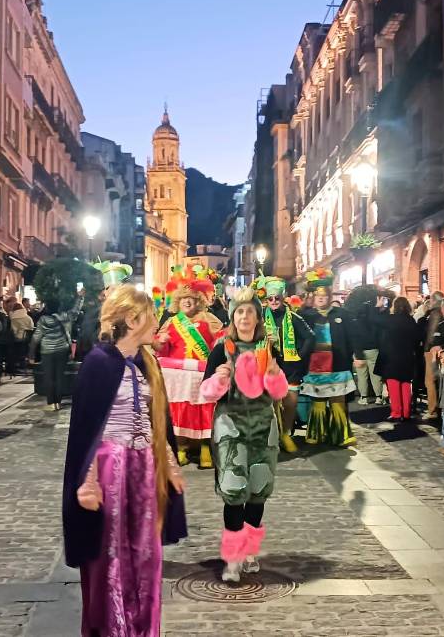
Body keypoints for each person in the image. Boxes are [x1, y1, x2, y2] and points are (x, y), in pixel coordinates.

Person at [62, 286, 187, 635]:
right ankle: (114, 627)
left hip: (144, 466)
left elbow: (156, 418)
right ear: (132, 320)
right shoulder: (98, 363)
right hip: (110, 466)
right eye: (150, 316)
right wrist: (87, 480)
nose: (157, 323)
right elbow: (85, 429)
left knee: (146, 550)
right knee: (111, 553)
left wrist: (171, 466)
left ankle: (144, 626)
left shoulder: (148, 361)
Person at [199, 287, 289, 583]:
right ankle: (233, 557)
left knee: (259, 488)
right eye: (239, 311)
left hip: (263, 427)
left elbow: (280, 393)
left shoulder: (268, 348)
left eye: (250, 311)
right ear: (232, 317)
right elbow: (205, 392)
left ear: (258, 317)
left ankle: (250, 551)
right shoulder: (221, 350)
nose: (245, 316)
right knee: (234, 490)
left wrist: (274, 374)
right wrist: (219, 379)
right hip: (231, 428)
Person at [155, 269, 224, 468]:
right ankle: (181, 447)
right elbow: (160, 348)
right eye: (183, 298)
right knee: (180, 411)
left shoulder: (209, 319)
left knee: (204, 411)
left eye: (191, 299)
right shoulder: (171, 321)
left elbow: (221, 343)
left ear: (198, 301)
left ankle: (204, 447)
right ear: (178, 301)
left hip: (202, 374)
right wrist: (161, 341)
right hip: (178, 377)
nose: (187, 302)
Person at [298, 268, 357, 447]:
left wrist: (358, 356)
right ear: (313, 298)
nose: (321, 298)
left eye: (324, 295)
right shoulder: (304, 316)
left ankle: (341, 435)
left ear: (330, 296)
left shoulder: (342, 314)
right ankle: (317, 433)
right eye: (318, 296)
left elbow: (352, 336)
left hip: (338, 364)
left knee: (338, 400)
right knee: (318, 402)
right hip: (315, 365)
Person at [256, 276, 315, 453]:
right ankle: (270, 435)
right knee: (268, 404)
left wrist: (299, 356)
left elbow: (310, 338)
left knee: (291, 401)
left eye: (277, 298)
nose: (273, 301)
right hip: (267, 366)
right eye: (270, 298)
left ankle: (286, 433)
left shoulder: (294, 318)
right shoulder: (259, 318)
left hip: (290, 367)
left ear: (283, 298)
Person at [373, 297, 422, 422]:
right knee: (406, 385)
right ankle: (406, 413)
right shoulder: (411, 320)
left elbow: (374, 320)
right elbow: (417, 339)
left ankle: (396, 412)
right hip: (407, 356)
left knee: (393, 385)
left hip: (391, 357)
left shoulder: (390, 319)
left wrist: (378, 307)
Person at [30, 301, 76, 410]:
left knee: (49, 377)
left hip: (47, 351)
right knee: (59, 377)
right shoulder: (63, 317)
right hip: (62, 350)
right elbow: (75, 312)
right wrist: (80, 298)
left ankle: (51, 403)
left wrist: (31, 354)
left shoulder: (43, 320)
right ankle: (58, 402)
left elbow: (36, 337)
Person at [348, 291, 386, 406]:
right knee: (375, 375)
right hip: (373, 349)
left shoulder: (355, 321)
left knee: (361, 375)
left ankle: (363, 397)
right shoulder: (374, 320)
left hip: (360, 350)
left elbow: (353, 337)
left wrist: (357, 353)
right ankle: (378, 397)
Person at [8, 299, 35, 375]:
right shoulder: (28, 317)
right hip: (28, 339)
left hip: (18, 339)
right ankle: (24, 363)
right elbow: (32, 327)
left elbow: (14, 330)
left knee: (11, 348)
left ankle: (16, 364)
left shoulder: (13, 319)